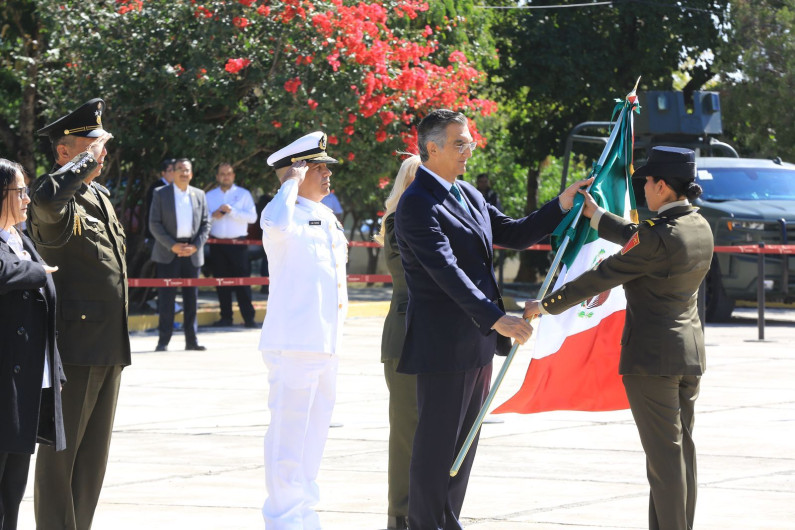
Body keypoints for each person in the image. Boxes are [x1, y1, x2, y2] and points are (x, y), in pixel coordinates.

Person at [394, 109, 591, 530]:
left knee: (464, 445)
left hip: (477, 342)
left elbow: (516, 233)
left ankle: (449, 520)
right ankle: (425, 523)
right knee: (436, 448)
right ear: (432, 149)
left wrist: (562, 204)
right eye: (459, 143)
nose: (469, 150)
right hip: (444, 343)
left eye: (470, 141)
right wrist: (496, 318)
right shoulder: (416, 203)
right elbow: (445, 271)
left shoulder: (469, 194)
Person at [523, 146, 713, 530]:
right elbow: (640, 238)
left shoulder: (659, 237)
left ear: (661, 186)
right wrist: (598, 217)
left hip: (653, 359)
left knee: (663, 462)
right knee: (681, 455)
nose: (642, 188)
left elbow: (603, 274)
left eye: (645, 181)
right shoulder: (698, 226)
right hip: (688, 354)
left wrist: (546, 305)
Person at [28, 98, 130, 530]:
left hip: (109, 343)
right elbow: (47, 201)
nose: (100, 153)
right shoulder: (56, 197)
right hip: (74, 345)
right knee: (60, 460)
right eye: (91, 144)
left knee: (91, 461)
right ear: (64, 152)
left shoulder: (98, 197)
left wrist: (86, 164)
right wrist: (83, 162)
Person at [258, 131, 347, 529]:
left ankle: (303, 514)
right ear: (297, 170)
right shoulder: (281, 214)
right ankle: (282, 518)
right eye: (319, 167)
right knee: (289, 435)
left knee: (312, 437)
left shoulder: (325, 216)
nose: (328, 173)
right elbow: (276, 225)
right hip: (294, 343)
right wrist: (289, 182)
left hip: (325, 343)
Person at [0, 159, 66, 530]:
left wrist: (53, 370)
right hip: (4, 382)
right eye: (20, 191)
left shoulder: (20, 238)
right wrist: (37, 271)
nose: (27, 199)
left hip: (29, 384)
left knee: (13, 490)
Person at [373, 154, 421, 530]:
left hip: (439, 340)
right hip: (406, 338)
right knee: (407, 431)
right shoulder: (396, 223)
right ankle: (400, 514)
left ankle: (427, 508)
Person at [149, 158, 211, 352]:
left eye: (187, 170)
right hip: (168, 251)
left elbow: (205, 224)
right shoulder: (160, 193)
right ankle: (163, 341)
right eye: (180, 170)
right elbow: (154, 223)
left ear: (191, 174)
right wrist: (172, 245)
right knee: (166, 299)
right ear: (173, 173)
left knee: (191, 299)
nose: (184, 173)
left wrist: (195, 246)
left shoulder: (199, 194)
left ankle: (191, 341)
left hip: (192, 253)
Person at [205, 162, 258, 327]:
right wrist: (213, 215)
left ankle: (249, 319)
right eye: (222, 174)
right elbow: (202, 218)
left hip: (238, 244)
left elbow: (252, 218)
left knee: (242, 282)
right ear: (217, 177)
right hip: (217, 243)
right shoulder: (210, 195)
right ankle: (226, 317)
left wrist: (232, 211)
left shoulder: (243, 194)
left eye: (228, 173)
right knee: (221, 282)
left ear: (233, 176)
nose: (225, 176)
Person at [144, 159, 176, 242]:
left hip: (172, 236)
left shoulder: (177, 188)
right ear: (163, 173)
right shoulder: (156, 189)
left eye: (175, 170)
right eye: (170, 170)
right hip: (157, 236)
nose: (174, 173)